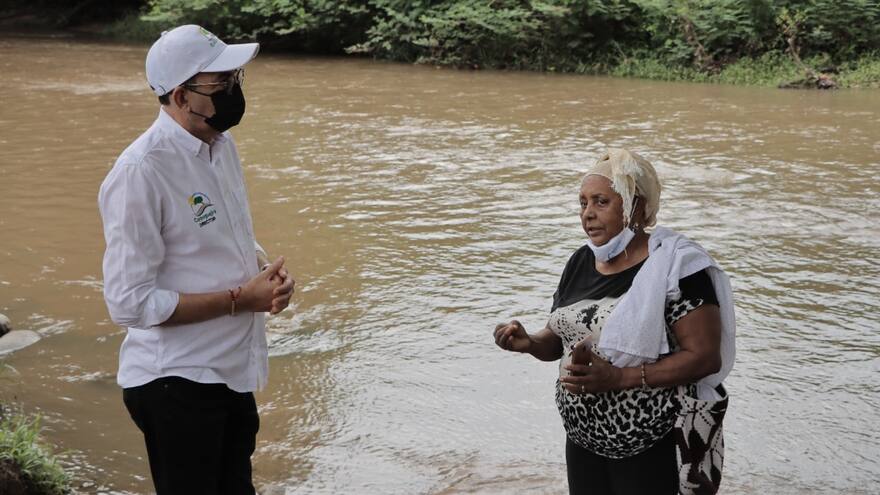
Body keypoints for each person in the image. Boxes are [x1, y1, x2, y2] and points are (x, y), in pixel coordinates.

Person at [98, 25, 294, 494]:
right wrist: (238, 299)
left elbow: (222, 239)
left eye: (235, 78)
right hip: (175, 384)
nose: (233, 90)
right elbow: (129, 303)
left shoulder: (220, 148)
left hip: (229, 373)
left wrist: (266, 282)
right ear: (182, 96)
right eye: (220, 83)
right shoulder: (141, 172)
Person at [493, 149, 735, 495]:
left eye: (601, 202)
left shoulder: (676, 266)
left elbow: (705, 357)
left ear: (635, 206)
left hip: (650, 441)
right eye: (582, 203)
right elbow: (561, 338)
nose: (587, 214)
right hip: (582, 441)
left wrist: (619, 377)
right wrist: (530, 342)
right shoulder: (581, 261)